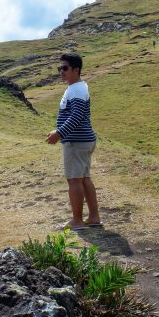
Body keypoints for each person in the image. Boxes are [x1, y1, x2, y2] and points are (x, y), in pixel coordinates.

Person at [46, 53, 101, 229]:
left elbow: (76, 116)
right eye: (59, 68)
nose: (61, 72)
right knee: (84, 179)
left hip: (76, 143)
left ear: (76, 70)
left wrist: (59, 133)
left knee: (74, 180)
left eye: (65, 68)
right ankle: (93, 217)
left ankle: (77, 220)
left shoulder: (76, 89)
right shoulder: (77, 87)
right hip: (83, 140)